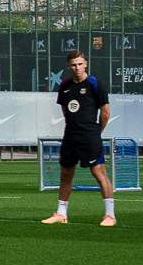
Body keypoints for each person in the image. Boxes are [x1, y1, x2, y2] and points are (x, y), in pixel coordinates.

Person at [41, 50, 116, 228]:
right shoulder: (65, 85)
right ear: (69, 66)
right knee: (66, 174)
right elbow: (65, 110)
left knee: (99, 173)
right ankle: (61, 213)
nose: (77, 68)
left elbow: (105, 112)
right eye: (73, 65)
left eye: (80, 64)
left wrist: (96, 132)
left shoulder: (94, 84)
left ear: (86, 64)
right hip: (70, 136)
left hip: (90, 136)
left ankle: (110, 215)